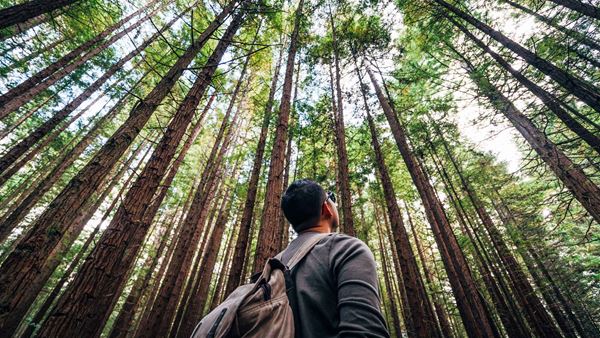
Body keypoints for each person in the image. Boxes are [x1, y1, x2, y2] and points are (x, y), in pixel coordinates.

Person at [278, 179, 390, 338]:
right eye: (332, 198)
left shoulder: (273, 264)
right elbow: (364, 333)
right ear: (326, 208)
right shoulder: (347, 249)